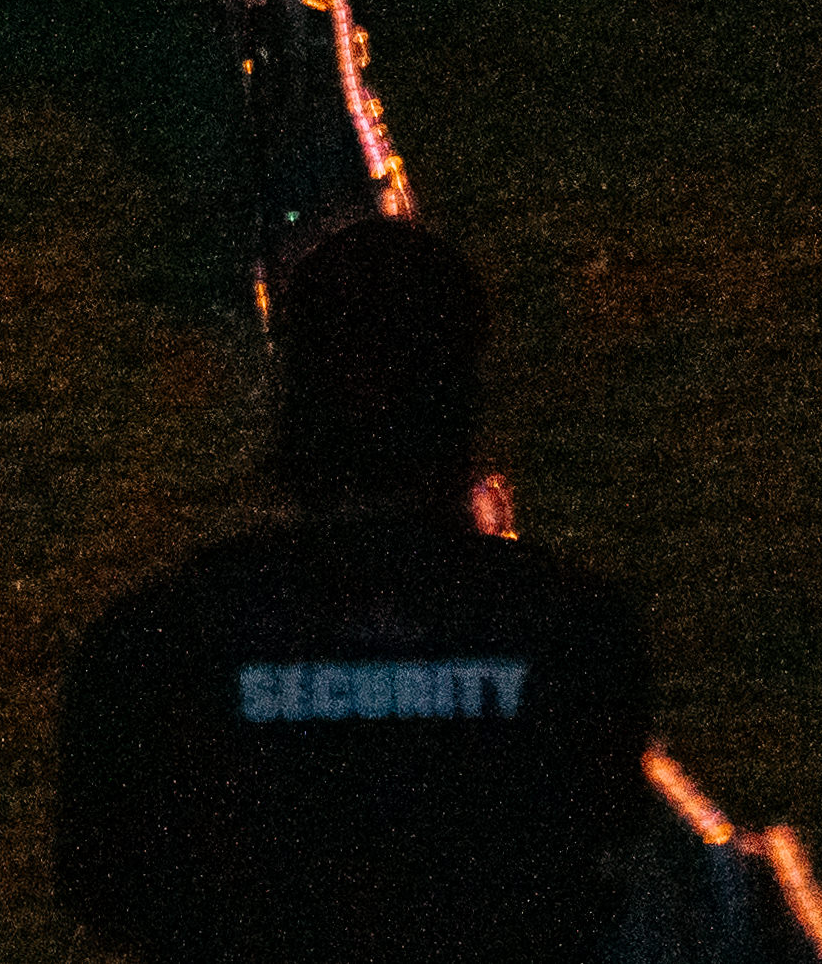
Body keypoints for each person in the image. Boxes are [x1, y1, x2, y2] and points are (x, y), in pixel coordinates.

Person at [46, 214, 662, 964]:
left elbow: (103, 883)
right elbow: (604, 853)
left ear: (293, 395)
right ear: (464, 392)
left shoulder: (163, 638)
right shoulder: (572, 630)